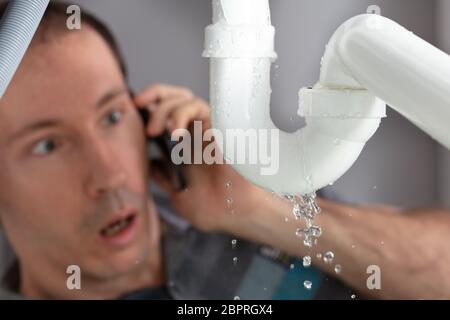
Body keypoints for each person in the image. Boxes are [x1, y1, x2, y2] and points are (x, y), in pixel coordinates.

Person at [0, 2, 448, 300]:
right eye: (48, 144)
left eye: (112, 116)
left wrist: (262, 211)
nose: (109, 175)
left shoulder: (246, 190)